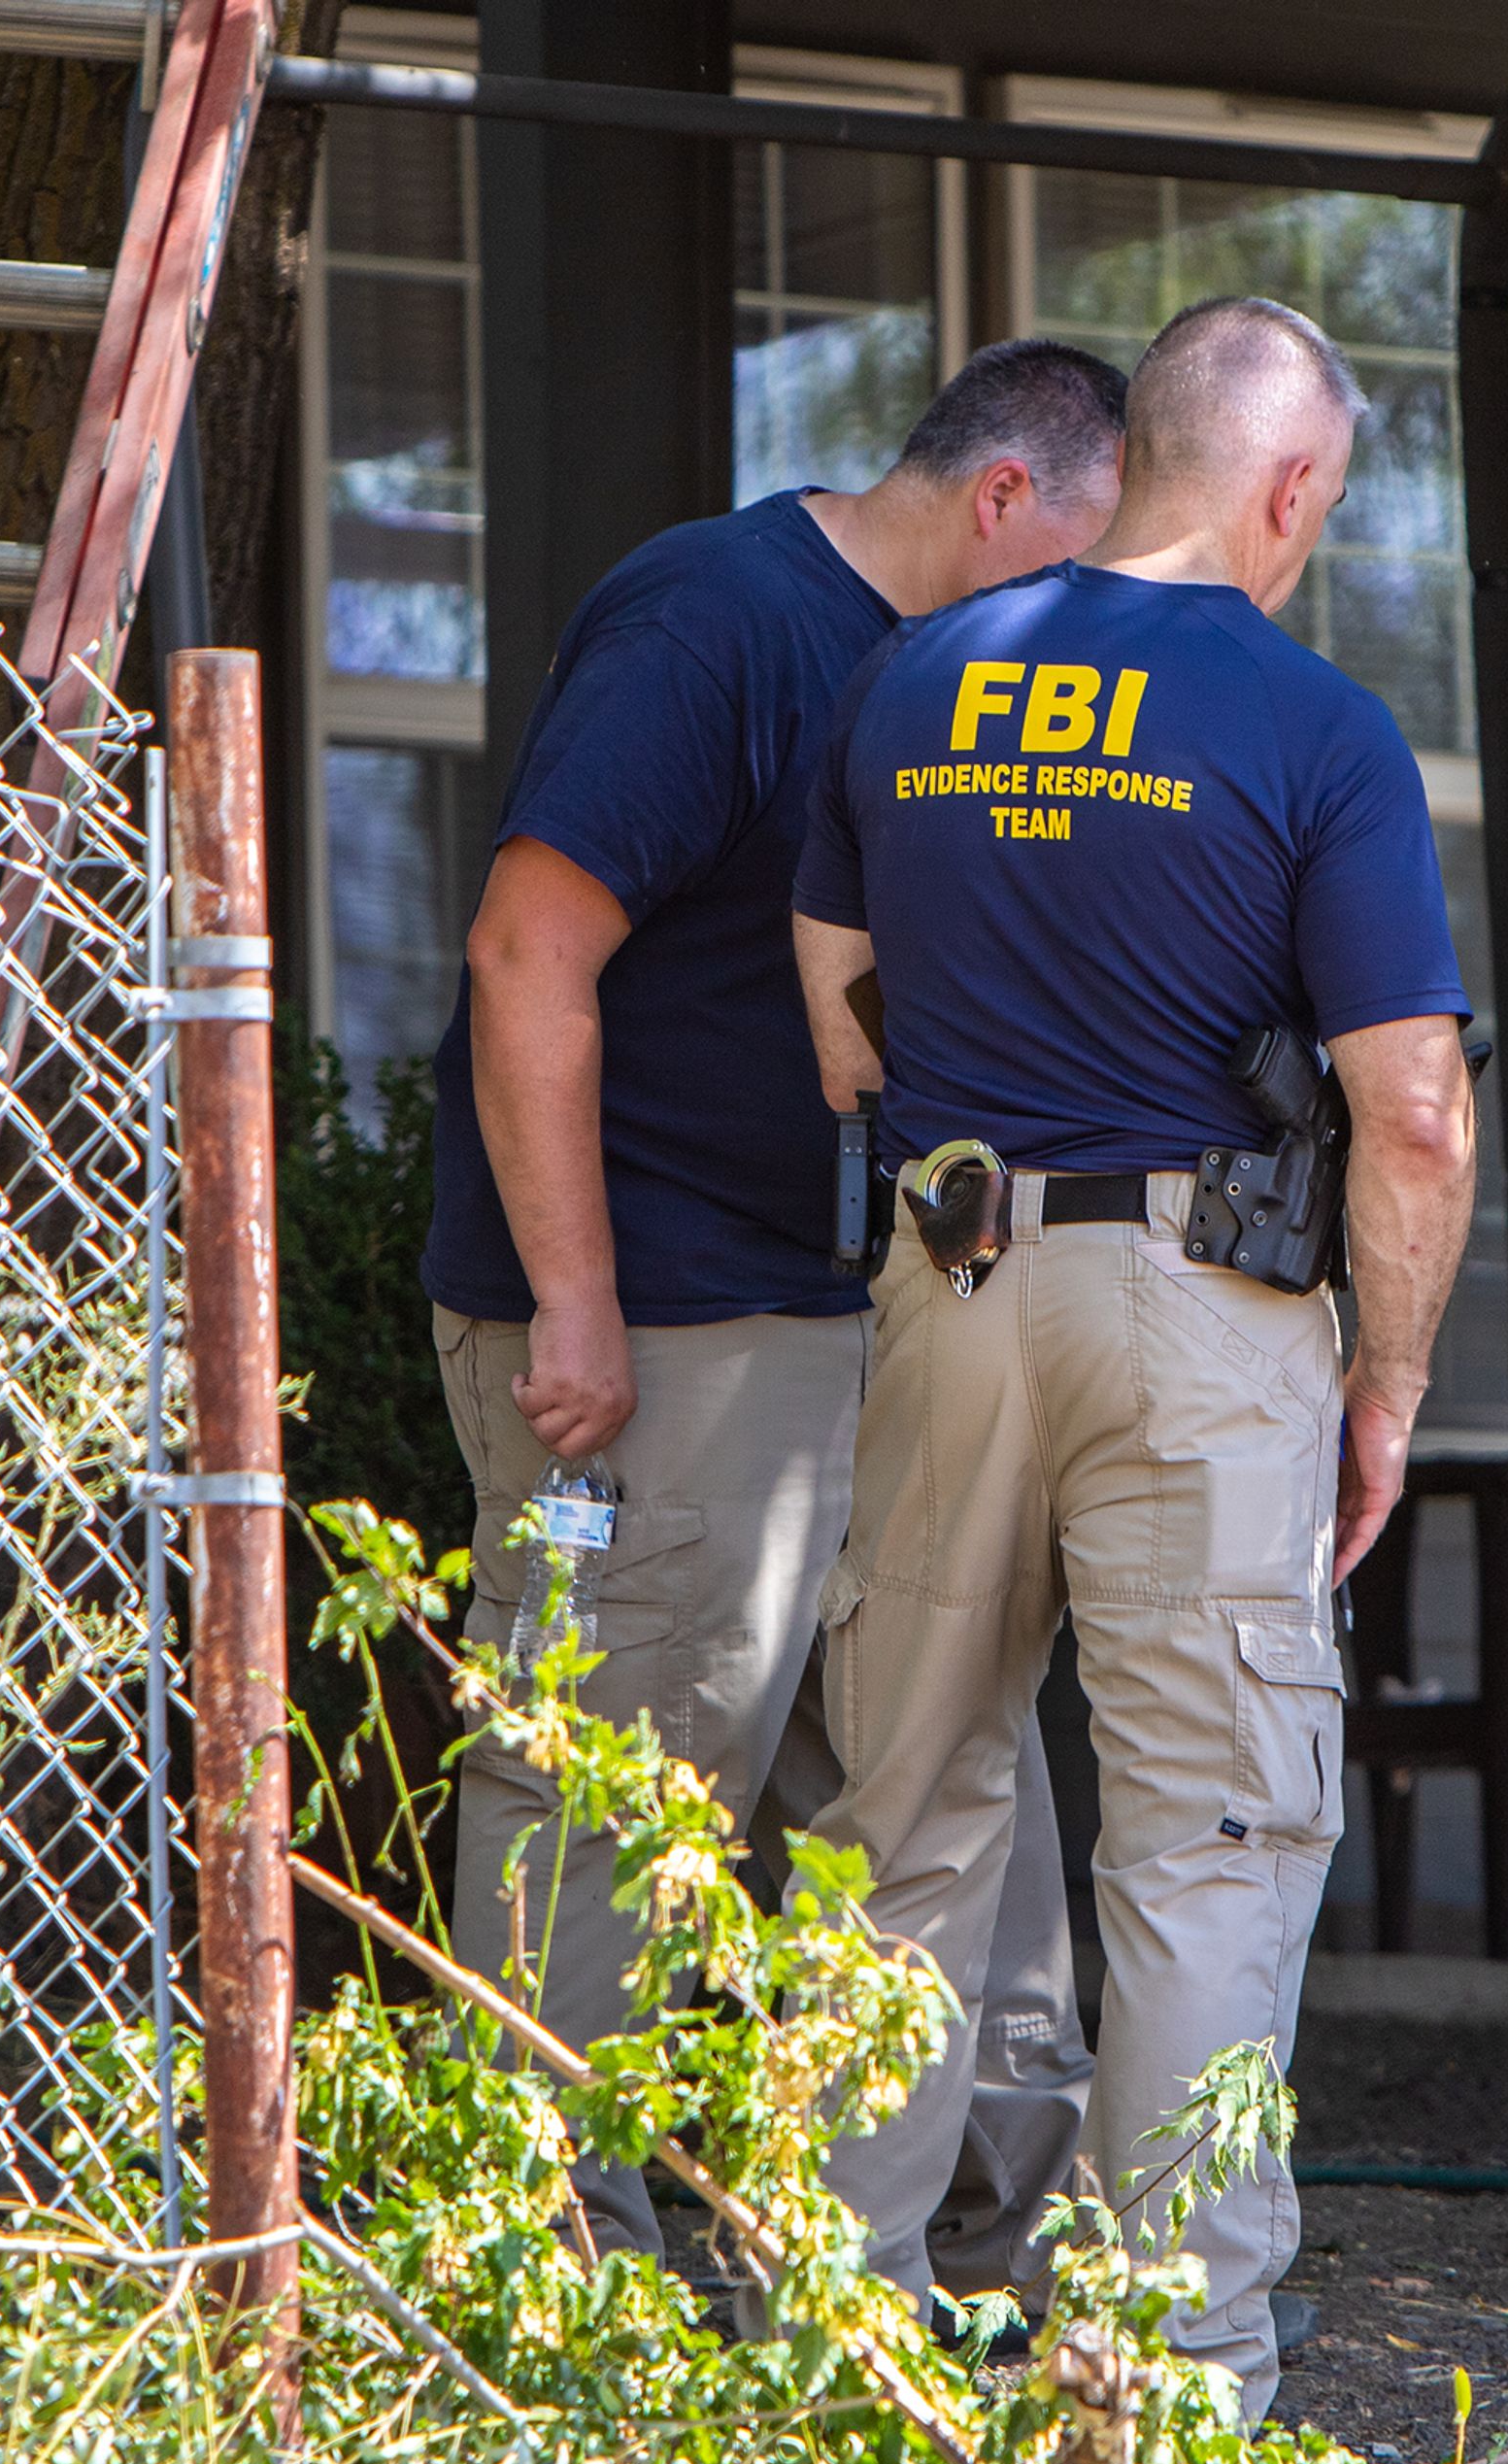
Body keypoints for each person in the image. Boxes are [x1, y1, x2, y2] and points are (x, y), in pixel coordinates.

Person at [788, 296, 1478, 2416]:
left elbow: (839, 1023)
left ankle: (834, 2344)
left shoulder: (918, 679)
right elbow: (1415, 1109)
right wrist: (1385, 1387)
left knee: (898, 1812)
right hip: (1204, 1322)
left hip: (953, 1282)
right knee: (1201, 1848)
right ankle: (1149, 2393)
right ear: (1284, 490)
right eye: (1326, 504)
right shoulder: (1315, 727)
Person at [422, 341, 1132, 2278]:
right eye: (1077, 556)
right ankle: (550, 2269)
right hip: (656, 1332)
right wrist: (578, 1300)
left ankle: (925, 2266)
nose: (1090, 617)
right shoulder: (717, 621)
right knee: (623, 1778)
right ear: (1000, 497)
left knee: (910, 1784)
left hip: (863, 1316)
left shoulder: (961, 680)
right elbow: (525, 949)